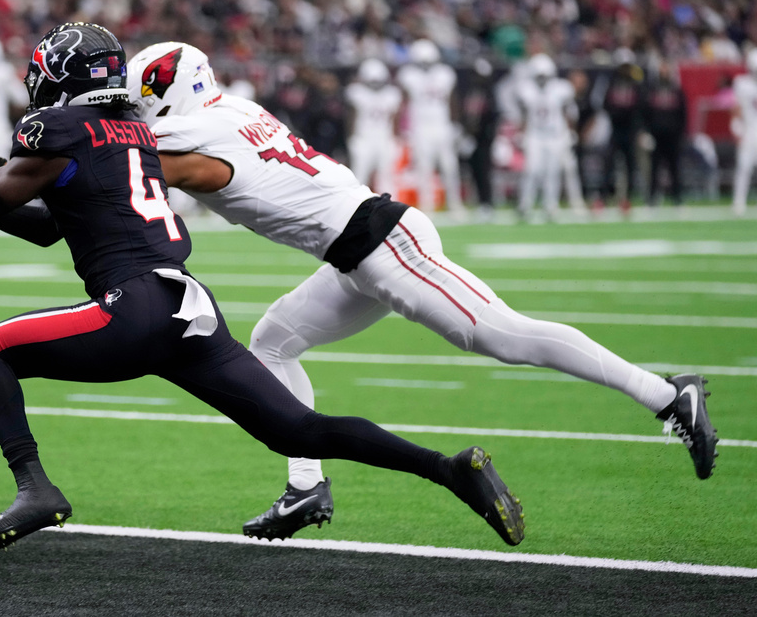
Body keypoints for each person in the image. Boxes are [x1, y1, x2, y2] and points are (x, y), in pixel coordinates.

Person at [0, 22, 528, 553]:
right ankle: (449, 469)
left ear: (58, 80)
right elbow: (42, 226)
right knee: (300, 427)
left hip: (134, 307)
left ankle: (35, 487)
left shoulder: (54, 129)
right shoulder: (132, 133)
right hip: (189, 304)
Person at [125, 40, 719, 541]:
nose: (138, 110)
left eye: (142, 98)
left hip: (384, 245)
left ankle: (667, 396)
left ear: (165, 91)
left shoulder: (188, 132)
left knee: (504, 336)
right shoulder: (229, 109)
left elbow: (137, 160)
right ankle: (305, 488)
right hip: (359, 249)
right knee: (274, 340)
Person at [397, 39, 464, 215]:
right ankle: (428, 205)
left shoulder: (445, 73)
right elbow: (404, 102)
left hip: (442, 125)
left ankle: (454, 203)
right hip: (421, 127)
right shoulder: (408, 74)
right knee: (424, 168)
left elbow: (451, 99)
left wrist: (455, 123)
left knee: (450, 167)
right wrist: (405, 128)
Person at [512, 53, 582, 220]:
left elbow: (569, 111)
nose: (542, 80)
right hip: (535, 135)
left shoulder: (561, 89)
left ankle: (550, 205)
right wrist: (521, 131)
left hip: (555, 135)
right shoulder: (526, 89)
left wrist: (570, 131)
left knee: (553, 172)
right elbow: (523, 113)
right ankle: (525, 204)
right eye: (539, 76)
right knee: (531, 170)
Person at [344, 58, 402, 197]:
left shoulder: (392, 94)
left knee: (387, 178)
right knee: (359, 178)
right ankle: (354, 213)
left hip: (384, 138)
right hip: (363, 138)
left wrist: (396, 137)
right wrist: (351, 137)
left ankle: (391, 212)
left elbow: (394, 118)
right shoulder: (356, 92)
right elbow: (352, 117)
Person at [599, 48, 644, 214]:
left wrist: (638, 129)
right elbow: (605, 104)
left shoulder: (636, 84)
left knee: (630, 166)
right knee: (609, 164)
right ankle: (604, 197)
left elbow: (640, 108)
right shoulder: (611, 82)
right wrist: (617, 115)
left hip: (630, 131)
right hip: (616, 129)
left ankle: (627, 199)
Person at [456, 57, 499, 218]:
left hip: (483, 139)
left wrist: (480, 134)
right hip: (471, 139)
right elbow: (468, 115)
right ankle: (479, 201)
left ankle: (487, 203)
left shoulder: (489, 94)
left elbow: (489, 118)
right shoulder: (472, 92)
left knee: (484, 171)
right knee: (473, 171)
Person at [642, 60, 687, 207]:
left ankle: (677, 197)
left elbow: (683, 114)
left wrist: (681, 133)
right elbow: (646, 113)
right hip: (656, 135)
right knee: (654, 168)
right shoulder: (652, 90)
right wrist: (647, 132)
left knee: (674, 167)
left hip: (673, 135)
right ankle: (652, 198)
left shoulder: (676, 90)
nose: (664, 72)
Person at [731, 47, 757, 217]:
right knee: (744, 167)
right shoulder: (742, 83)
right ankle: (739, 201)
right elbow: (737, 108)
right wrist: (736, 128)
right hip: (750, 130)